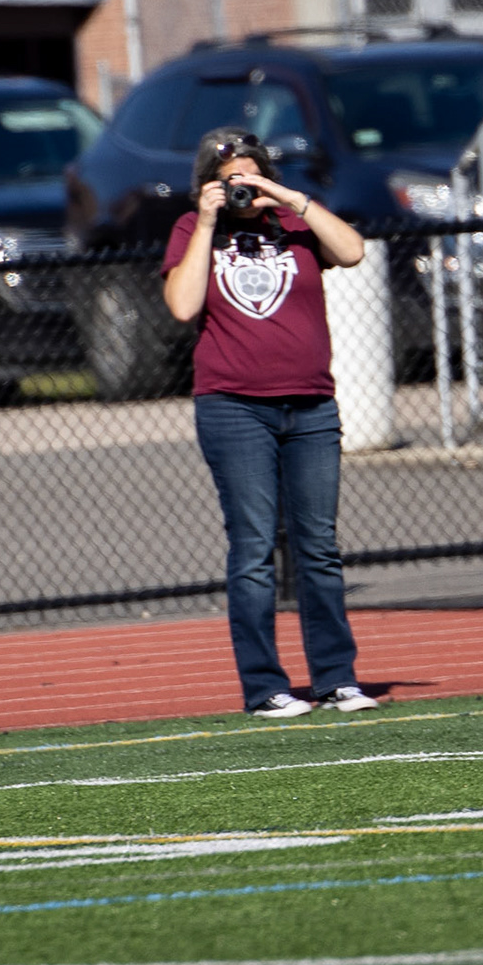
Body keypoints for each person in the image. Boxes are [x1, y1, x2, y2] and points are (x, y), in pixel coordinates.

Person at [163, 127, 380, 718]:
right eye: (229, 179)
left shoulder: (294, 222)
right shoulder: (192, 230)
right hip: (234, 407)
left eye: (251, 175)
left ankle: (336, 679)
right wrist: (208, 221)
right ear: (207, 184)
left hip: (311, 405)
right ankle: (265, 688)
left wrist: (286, 198)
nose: (242, 188)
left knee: (319, 548)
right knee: (254, 549)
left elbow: (353, 251)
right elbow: (183, 305)